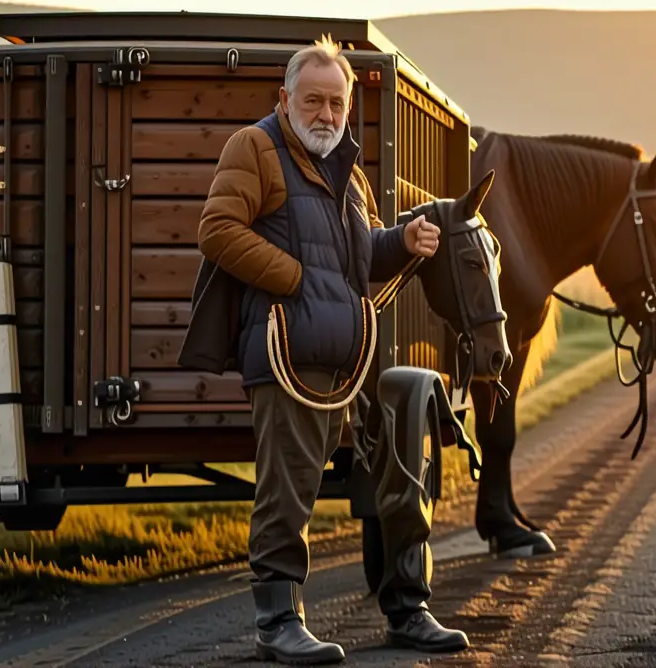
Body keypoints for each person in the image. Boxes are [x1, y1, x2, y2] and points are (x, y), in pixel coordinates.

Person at [177, 35, 469, 665]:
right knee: (290, 486)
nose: (327, 115)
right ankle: (278, 621)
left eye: (336, 103)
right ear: (284, 99)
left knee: (398, 469)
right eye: (313, 101)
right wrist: (294, 279)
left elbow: (355, 260)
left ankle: (407, 608)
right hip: (287, 357)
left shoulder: (349, 172)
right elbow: (217, 229)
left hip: (350, 356)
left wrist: (403, 240)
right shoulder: (254, 148)